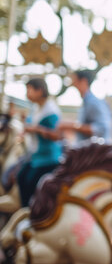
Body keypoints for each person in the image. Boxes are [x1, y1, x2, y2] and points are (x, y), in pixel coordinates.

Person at [16, 78, 63, 207]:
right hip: (35, 156)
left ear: (39, 90)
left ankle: (33, 211)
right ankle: (24, 208)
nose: (27, 93)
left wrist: (36, 129)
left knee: (30, 182)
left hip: (48, 158)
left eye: (29, 90)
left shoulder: (51, 110)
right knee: (20, 176)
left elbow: (57, 135)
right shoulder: (36, 108)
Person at [57, 69, 112, 143]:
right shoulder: (86, 103)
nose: (72, 84)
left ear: (83, 81)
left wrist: (71, 126)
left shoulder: (94, 102)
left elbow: (103, 129)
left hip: (97, 152)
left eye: (74, 80)